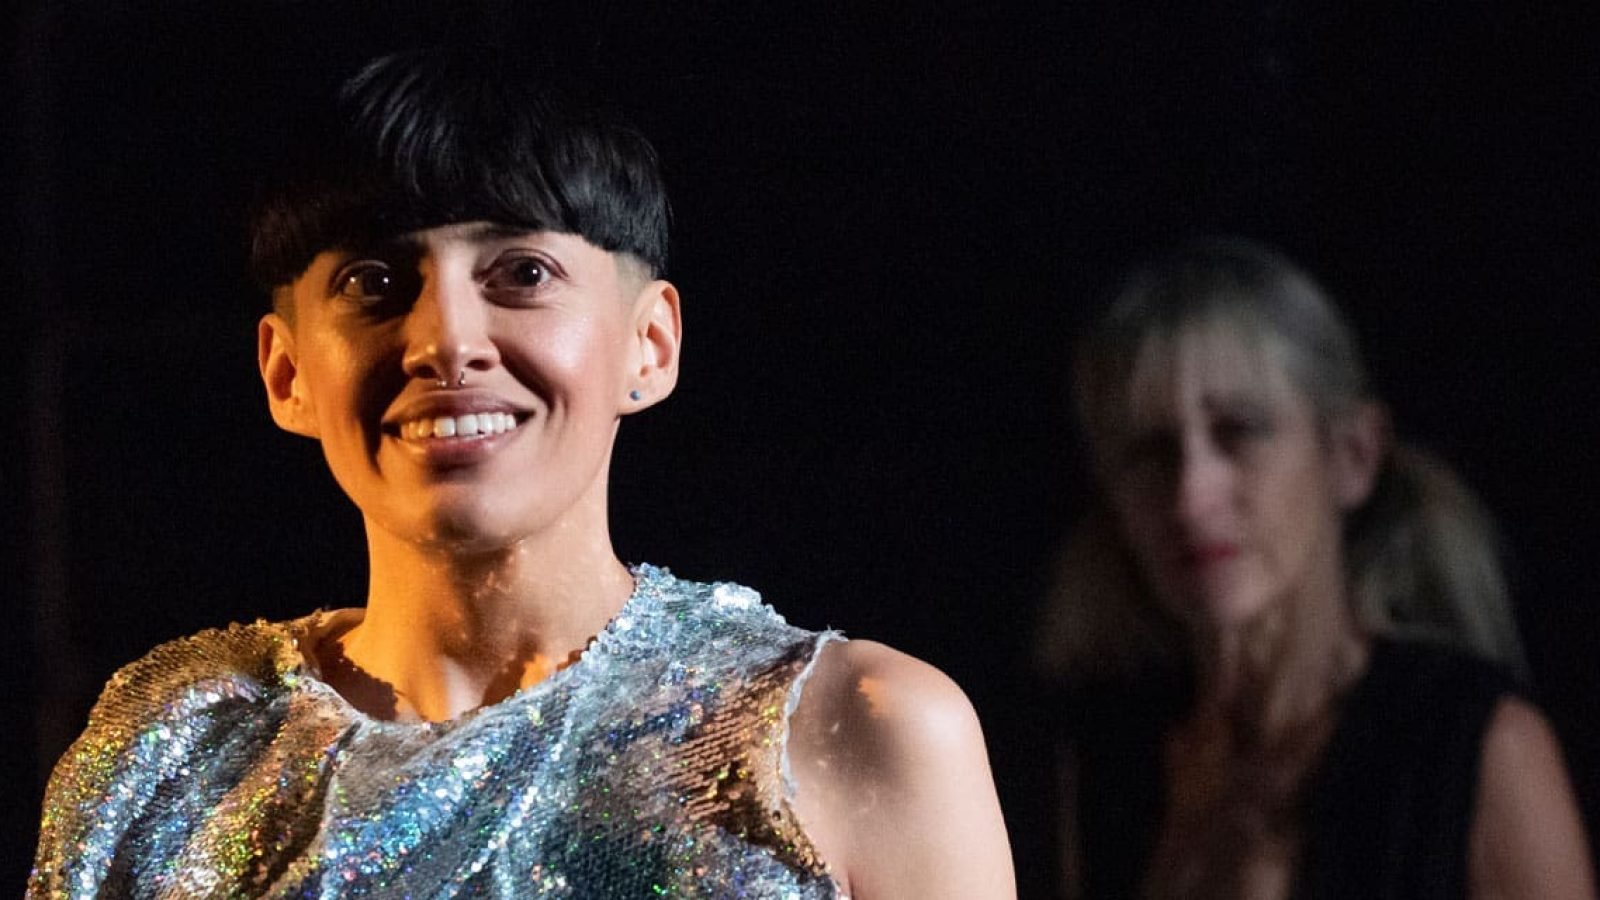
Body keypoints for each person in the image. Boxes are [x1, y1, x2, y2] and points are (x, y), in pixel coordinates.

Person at [28, 49, 1014, 898]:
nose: (447, 341)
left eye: (522, 274)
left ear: (649, 343)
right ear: (287, 372)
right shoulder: (178, 750)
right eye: (375, 284)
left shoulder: (855, 729)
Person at [1035, 238, 1593, 899]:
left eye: (1238, 431)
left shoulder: (1475, 746)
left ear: (1352, 454)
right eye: (1151, 452)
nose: (1191, 497)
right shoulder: (1111, 756)